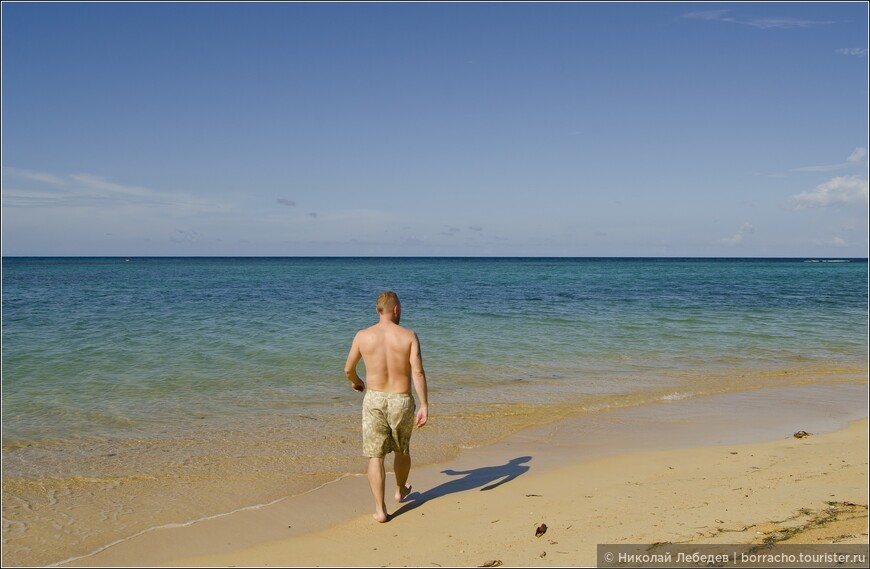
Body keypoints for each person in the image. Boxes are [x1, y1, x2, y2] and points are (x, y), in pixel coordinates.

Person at [344, 291, 429, 523]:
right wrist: (424, 404)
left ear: (377, 311)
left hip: (374, 399)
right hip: (401, 399)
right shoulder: (409, 335)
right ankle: (400, 491)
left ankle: (380, 510)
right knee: (402, 450)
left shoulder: (363, 336)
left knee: (375, 456)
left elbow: (348, 369)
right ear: (396, 310)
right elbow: (418, 372)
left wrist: (357, 382)